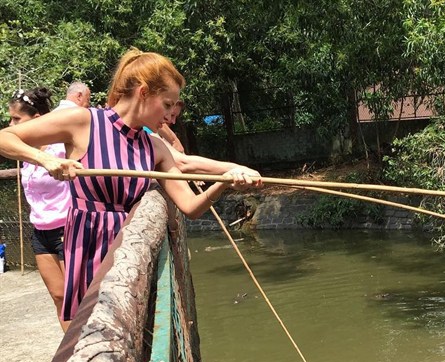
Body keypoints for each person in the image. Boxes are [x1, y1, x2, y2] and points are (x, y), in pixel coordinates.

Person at [0, 48, 261, 323]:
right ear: (144, 92)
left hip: (131, 251)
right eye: (168, 104)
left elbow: (191, 206)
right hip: (87, 246)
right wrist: (44, 159)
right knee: (87, 329)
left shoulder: (154, 146)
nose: (172, 114)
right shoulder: (84, 121)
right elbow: (6, 139)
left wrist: (223, 183)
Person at [8, 87, 72, 330]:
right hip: (40, 232)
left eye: (16, 119)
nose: (11, 124)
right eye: (10, 119)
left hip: (67, 229)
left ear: (36, 120)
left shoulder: (61, 148)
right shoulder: (26, 152)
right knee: (58, 297)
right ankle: (69, 350)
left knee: (76, 298)